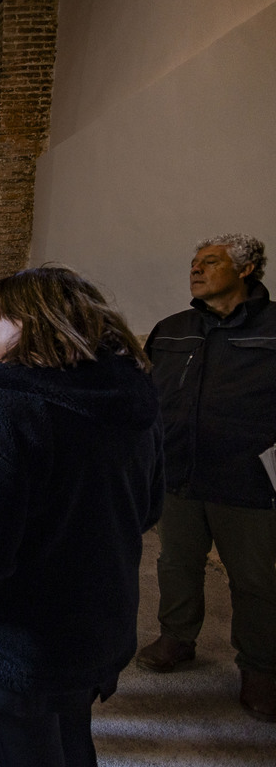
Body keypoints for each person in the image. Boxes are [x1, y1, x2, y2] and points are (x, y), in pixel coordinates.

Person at [0, 266, 165, 767]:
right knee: (70, 739)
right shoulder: (128, 398)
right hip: (93, 623)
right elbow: (148, 507)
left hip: (16, 641)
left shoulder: (7, 408)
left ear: (33, 325)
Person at [137, 234, 276, 723]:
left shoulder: (274, 326)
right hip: (177, 471)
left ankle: (260, 668)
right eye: (194, 262)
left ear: (247, 268)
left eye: (210, 262)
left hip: (248, 480)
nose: (196, 270)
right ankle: (177, 636)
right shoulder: (173, 328)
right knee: (176, 562)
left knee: (256, 579)